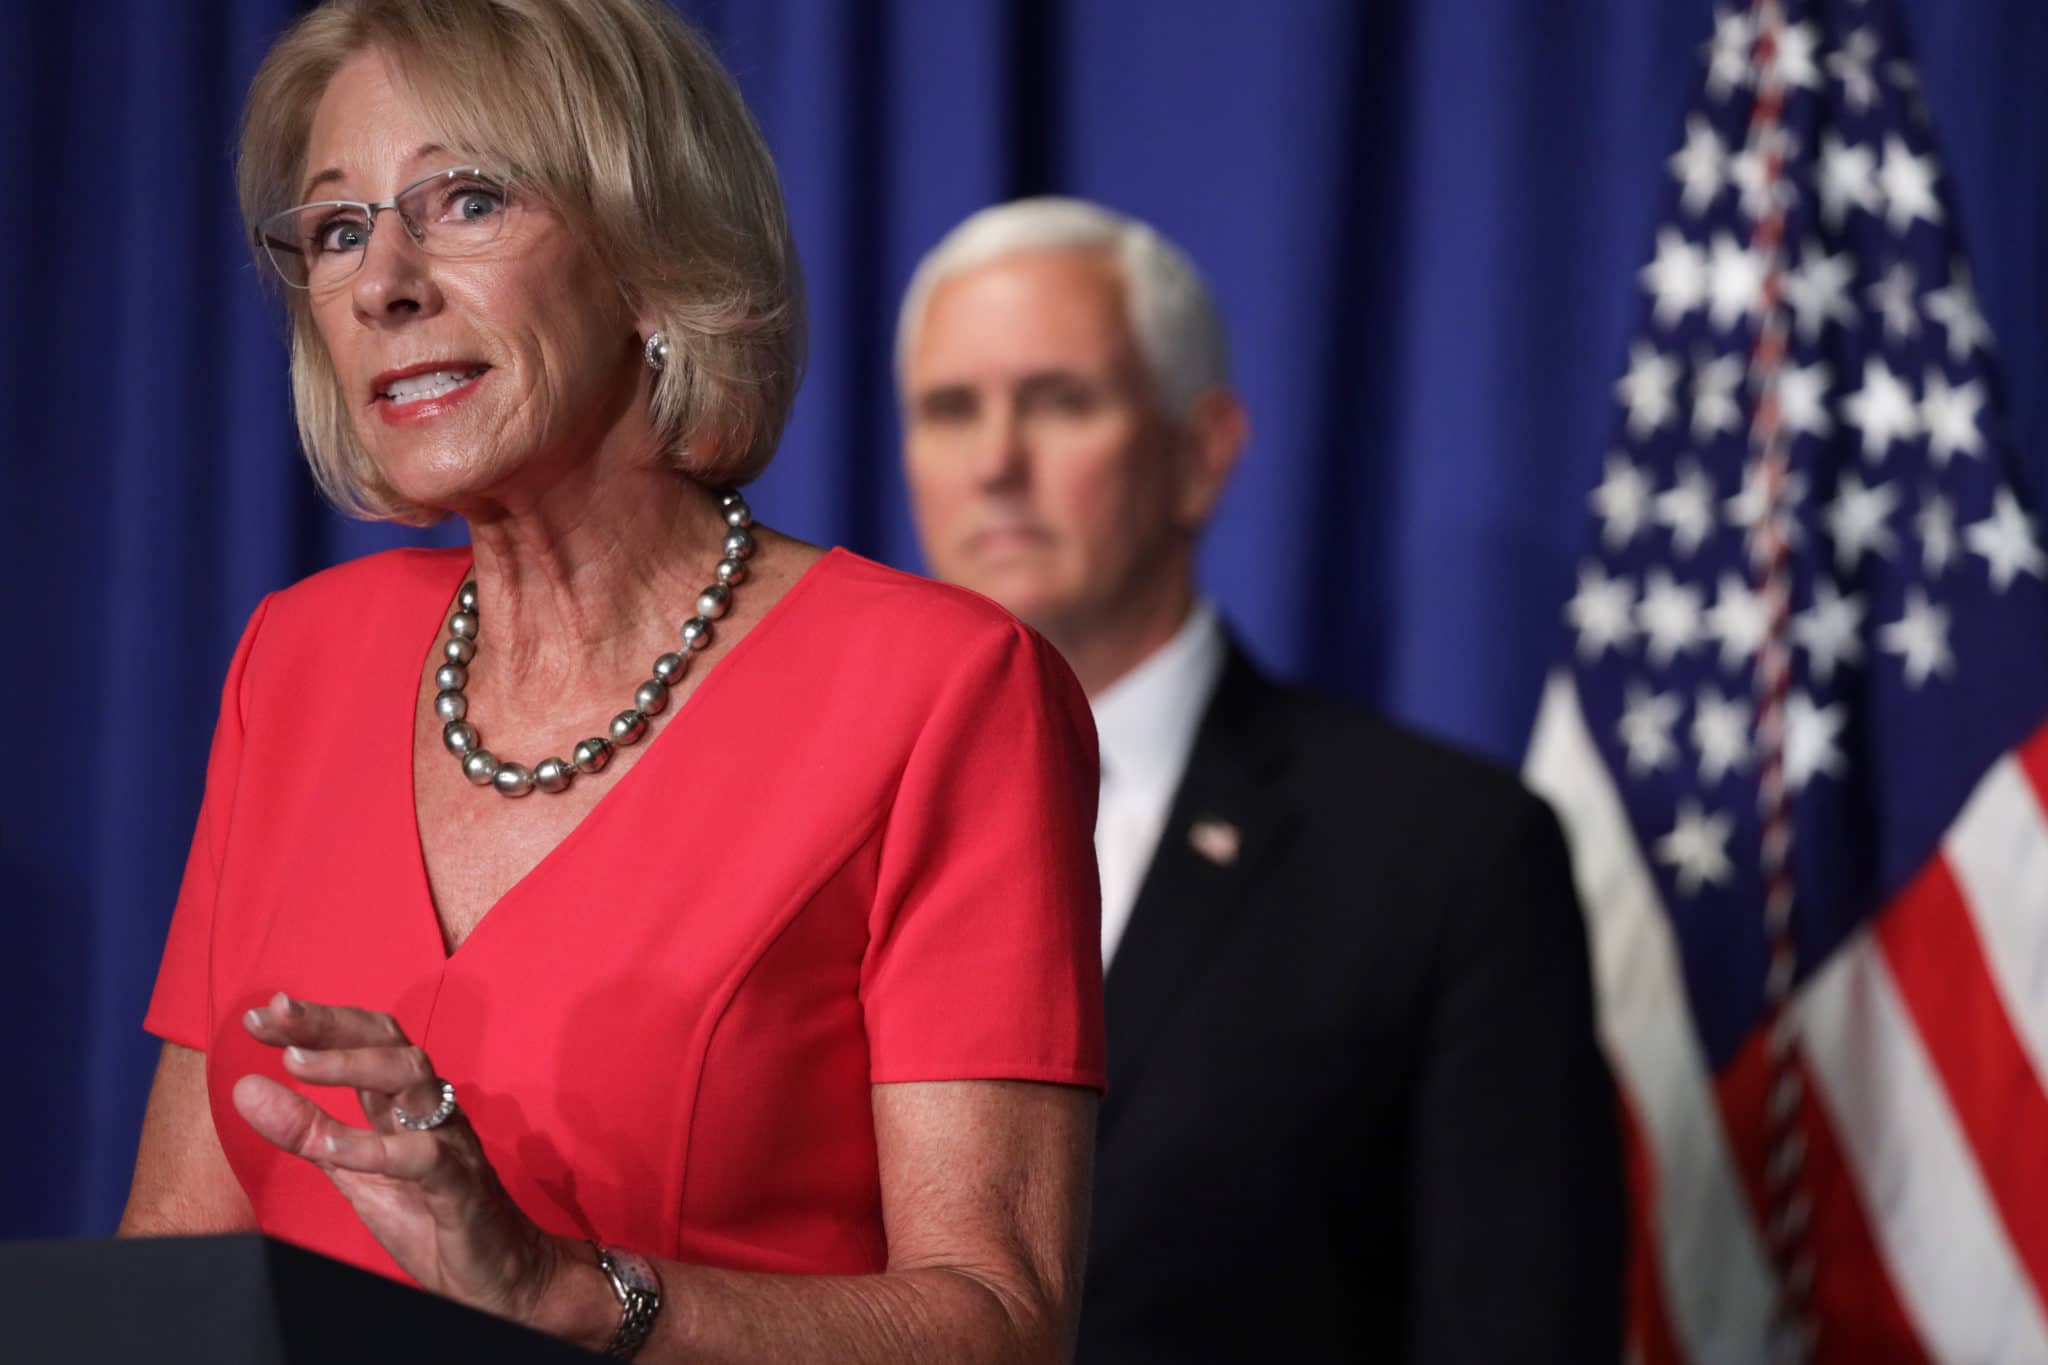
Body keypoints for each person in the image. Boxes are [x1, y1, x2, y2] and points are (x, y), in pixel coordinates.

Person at [116, 6, 1105, 1362]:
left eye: (464, 200)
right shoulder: (296, 661)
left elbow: (997, 1321)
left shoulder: (941, 691)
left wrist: (568, 1294)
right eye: (338, 228)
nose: (380, 283)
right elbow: (172, 1263)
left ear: (656, 260)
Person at [897, 198, 1625, 1362]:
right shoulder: (822, 830)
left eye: (1059, 400)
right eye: (949, 410)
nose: (994, 464)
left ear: (1201, 453)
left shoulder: (1446, 854)